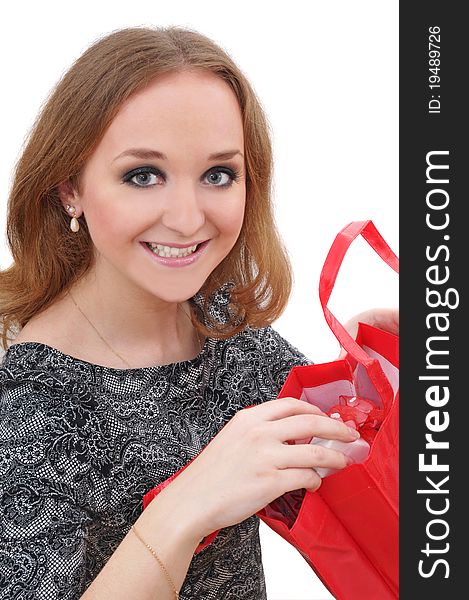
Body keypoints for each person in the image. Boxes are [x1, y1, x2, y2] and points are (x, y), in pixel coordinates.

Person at [0, 26, 398, 600]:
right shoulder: (32, 405)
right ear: (70, 189)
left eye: (218, 174)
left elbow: (329, 456)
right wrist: (183, 508)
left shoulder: (222, 327)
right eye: (143, 175)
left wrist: (374, 368)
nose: (188, 219)